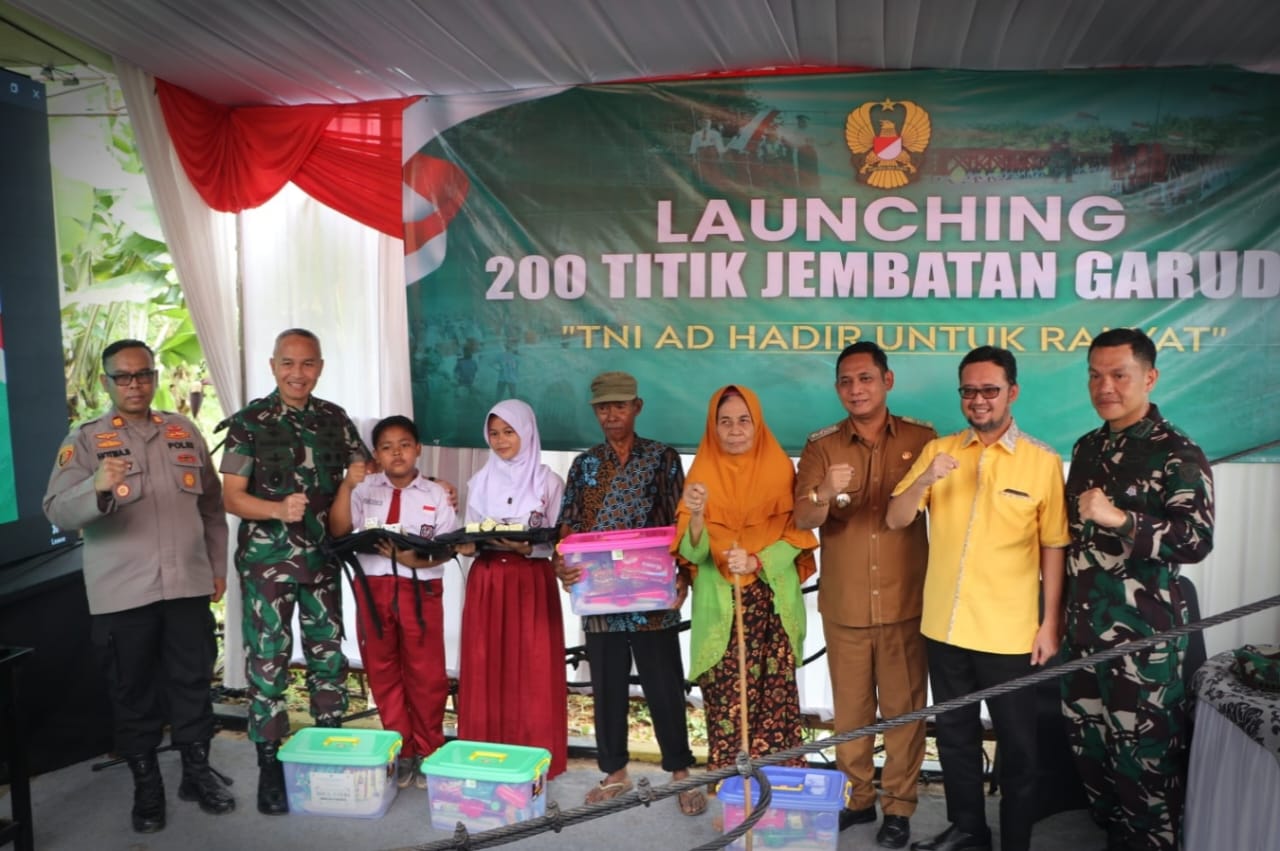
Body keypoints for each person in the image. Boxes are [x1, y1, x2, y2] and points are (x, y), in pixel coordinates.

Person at [43, 339, 234, 833]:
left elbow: (212, 507)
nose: (134, 384)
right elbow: (57, 510)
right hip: (122, 593)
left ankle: (196, 774)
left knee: (193, 685)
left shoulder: (183, 430)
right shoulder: (85, 440)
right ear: (106, 383)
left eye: (142, 374)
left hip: (188, 587)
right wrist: (96, 486)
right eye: (122, 377)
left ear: (153, 376)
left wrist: (216, 565)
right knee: (132, 693)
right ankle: (147, 787)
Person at [886, 346, 1068, 851]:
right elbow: (896, 517)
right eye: (969, 390)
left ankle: (1015, 841)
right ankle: (969, 830)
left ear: (1012, 392)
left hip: (1009, 634)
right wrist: (926, 477)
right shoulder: (940, 451)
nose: (979, 399)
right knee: (954, 738)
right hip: (943, 626)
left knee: (1020, 748)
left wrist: (1049, 622)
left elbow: (1054, 546)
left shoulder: (1042, 462)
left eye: (990, 389)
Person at [1060, 328, 1214, 851]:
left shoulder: (1177, 452)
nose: (1106, 386)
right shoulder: (1086, 448)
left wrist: (1122, 519)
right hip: (1082, 640)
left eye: (1119, 375)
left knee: (1145, 773)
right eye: (1095, 375)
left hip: (1142, 648)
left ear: (1149, 377)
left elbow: (1195, 540)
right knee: (1093, 762)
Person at [219, 328, 369, 815]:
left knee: (328, 656)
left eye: (306, 364)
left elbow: (365, 472)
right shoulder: (249, 423)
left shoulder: (335, 419)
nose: (297, 374)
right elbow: (231, 496)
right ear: (272, 365)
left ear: (320, 367)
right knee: (269, 662)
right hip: (269, 563)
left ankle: (328, 750)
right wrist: (277, 510)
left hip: (322, 557)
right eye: (288, 363)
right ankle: (270, 762)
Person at [793, 342, 935, 849]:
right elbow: (803, 518)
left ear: (887, 381)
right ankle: (858, 799)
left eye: (866, 379)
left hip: (905, 603)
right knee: (851, 713)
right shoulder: (821, 446)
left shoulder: (923, 439)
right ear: (838, 389)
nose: (856, 389)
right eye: (847, 382)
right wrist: (826, 492)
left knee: (903, 711)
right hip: (847, 605)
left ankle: (899, 808)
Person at [555, 370, 703, 815]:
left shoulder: (663, 458)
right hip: (599, 594)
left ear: (637, 407)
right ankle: (614, 771)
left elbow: (680, 522)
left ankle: (680, 774)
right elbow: (568, 528)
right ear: (594, 411)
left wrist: (685, 576)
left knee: (664, 683)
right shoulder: (584, 465)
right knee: (607, 685)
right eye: (603, 407)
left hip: (651, 592)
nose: (612, 414)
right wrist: (561, 564)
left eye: (620, 405)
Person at [674, 385, 817, 772]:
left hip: (771, 607)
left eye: (743, 420)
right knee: (726, 707)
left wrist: (757, 560)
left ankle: (777, 804)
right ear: (713, 427)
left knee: (776, 705)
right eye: (725, 422)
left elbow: (798, 537)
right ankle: (733, 797)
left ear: (757, 423)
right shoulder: (701, 473)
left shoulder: (780, 467)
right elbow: (691, 553)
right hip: (721, 612)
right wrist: (700, 516)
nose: (735, 430)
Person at [328, 414, 460, 789]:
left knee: (426, 674)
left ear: (418, 449)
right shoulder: (364, 487)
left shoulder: (437, 494)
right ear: (377, 455)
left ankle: (429, 750)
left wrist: (415, 560)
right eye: (386, 447)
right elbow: (338, 530)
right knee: (382, 671)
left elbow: (449, 547)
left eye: (404, 444)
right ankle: (401, 751)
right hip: (373, 590)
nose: (396, 453)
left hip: (420, 590)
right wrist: (345, 487)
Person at [455, 399, 569, 777]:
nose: (501, 441)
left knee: (533, 667)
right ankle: (485, 757)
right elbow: (470, 536)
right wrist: (466, 545)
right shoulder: (479, 481)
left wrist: (532, 547)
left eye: (509, 431)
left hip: (530, 581)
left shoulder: (549, 482)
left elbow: (559, 541)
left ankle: (534, 758)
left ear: (527, 432)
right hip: (488, 581)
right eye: (494, 433)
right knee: (487, 664)